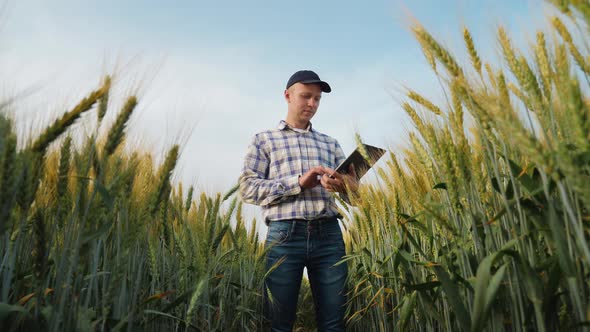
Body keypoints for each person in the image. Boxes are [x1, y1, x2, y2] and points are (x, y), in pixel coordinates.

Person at [238, 70, 358, 331]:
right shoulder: (264, 140)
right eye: (306, 96)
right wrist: (298, 183)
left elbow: (355, 196)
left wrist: (344, 187)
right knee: (279, 322)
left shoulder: (330, 143)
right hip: (284, 235)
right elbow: (247, 189)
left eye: (317, 99)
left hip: (328, 234)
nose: (312, 104)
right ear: (287, 95)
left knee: (334, 322)